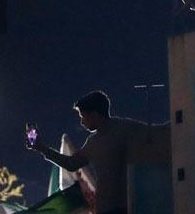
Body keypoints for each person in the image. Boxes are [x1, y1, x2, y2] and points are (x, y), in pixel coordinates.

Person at [26, 90, 166, 214]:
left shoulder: (123, 130)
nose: (82, 122)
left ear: (94, 115)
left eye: (83, 116)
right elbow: (71, 163)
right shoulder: (96, 140)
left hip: (127, 206)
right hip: (108, 207)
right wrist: (41, 148)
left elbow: (156, 133)